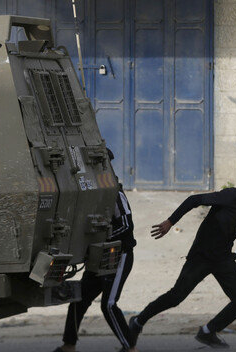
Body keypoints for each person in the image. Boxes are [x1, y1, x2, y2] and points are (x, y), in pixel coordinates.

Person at [129, 166, 236, 349]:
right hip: (201, 256)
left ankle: (208, 332)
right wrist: (170, 222)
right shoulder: (231, 196)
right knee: (176, 296)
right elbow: (194, 200)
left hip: (223, 257)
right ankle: (138, 321)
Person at [53, 149, 138, 352]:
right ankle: (68, 345)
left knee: (108, 305)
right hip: (98, 257)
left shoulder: (115, 194)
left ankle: (130, 348)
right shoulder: (90, 194)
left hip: (118, 255)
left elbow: (127, 225)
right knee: (79, 301)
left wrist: (103, 238)